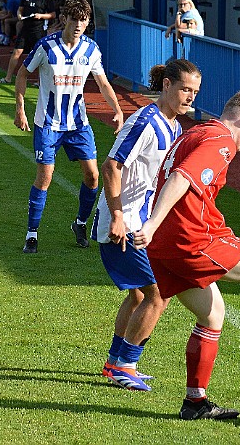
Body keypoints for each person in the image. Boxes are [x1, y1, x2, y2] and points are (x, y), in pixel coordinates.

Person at [134, 89, 240, 420]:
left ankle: (194, 403)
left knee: (213, 316)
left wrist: (156, 227)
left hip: (166, 248)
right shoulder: (221, 141)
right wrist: (153, 223)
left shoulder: (198, 130)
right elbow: (181, 178)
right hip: (193, 239)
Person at [94, 59, 200, 391]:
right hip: (121, 222)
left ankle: (114, 363)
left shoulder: (175, 128)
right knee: (159, 293)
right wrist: (117, 216)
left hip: (140, 222)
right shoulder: (144, 122)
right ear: (166, 85)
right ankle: (126, 365)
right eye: (185, 89)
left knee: (140, 294)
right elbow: (111, 167)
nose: (189, 97)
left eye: (194, 92)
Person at [14, 0, 124, 254]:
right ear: (65, 19)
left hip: (78, 125)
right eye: (74, 19)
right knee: (45, 177)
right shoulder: (46, 47)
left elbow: (103, 83)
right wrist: (20, 108)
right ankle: (32, 233)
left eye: (83, 20)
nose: (78, 24)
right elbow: (22, 73)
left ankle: (80, 224)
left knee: (94, 176)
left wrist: (118, 110)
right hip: (48, 124)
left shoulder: (91, 50)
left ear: (87, 23)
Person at [0, 0, 56, 84]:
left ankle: (40, 82)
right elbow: (20, 9)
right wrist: (19, 15)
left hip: (39, 30)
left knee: (40, 56)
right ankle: (8, 77)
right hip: (25, 28)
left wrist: (41, 16)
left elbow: (53, 15)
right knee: (16, 52)